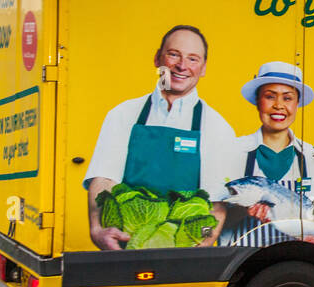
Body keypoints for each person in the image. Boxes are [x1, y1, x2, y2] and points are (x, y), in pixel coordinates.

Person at [84, 24, 238, 250]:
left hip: (183, 252)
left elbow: (215, 206)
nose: (182, 66)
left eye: (193, 59)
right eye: (174, 54)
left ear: (203, 68)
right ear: (157, 58)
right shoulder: (123, 114)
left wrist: (203, 243)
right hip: (125, 247)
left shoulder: (217, 127)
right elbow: (103, 180)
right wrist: (98, 230)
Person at [220, 62, 314, 247]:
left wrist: (312, 233)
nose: (279, 106)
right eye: (270, 96)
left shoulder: (313, 156)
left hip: (296, 257)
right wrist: (243, 211)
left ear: (297, 104)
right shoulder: (232, 150)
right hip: (240, 261)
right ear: (258, 101)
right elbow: (217, 216)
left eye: (287, 98)